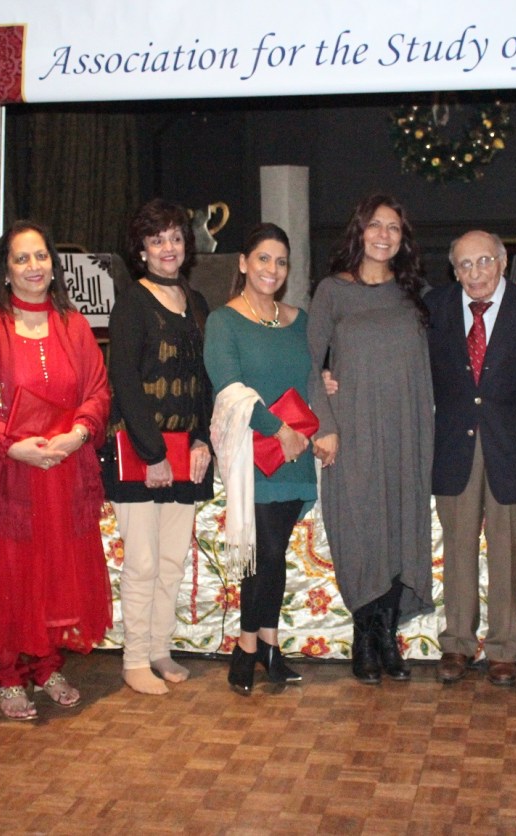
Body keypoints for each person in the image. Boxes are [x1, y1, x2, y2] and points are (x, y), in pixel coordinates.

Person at [0, 220, 112, 721]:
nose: (33, 267)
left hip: (61, 470)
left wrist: (78, 433)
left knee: (53, 570)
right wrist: (10, 445)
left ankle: (45, 663)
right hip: (7, 472)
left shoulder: (73, 325)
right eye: (22, 258)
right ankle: (5, 671)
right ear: (6, 270)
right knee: (8, 571)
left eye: (40, 257)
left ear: (53, 266)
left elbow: (98, 391)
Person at [307, 194, 434, 685]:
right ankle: (365, 635)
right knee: (360, 529)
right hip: (352, 433)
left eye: (394, 228)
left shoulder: (412, 293)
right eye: (375, 225)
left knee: (399, 528)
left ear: (403, 239)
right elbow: (309, 362)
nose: (384, 234)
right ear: (359, 231)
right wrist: (326, 425)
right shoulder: (332, 291)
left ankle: (386, 638)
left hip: (406, 430)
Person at [426, 231, 516, 686]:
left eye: (484, 261)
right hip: (453, 446)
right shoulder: (435, 309)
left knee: (507, 550)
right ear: (453, 269)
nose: (475, 272)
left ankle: (504, 648)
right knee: (457, 549)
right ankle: (457, 644)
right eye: (465, 264)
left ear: (503, 263)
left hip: (514, 448)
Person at [103, 198, 213, 696]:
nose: (168, 247)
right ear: (142, 250)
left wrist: (203, 440)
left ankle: (160, 650)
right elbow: (123, 380)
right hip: (141, 454)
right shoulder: (131, 302)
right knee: (143, 563)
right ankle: (134, 660)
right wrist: (154, 454)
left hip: (186, 454)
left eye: (174, 237)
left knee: (172, 561)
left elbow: (206, 382)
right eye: (157, 239)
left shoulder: (198, 303)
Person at [204, 223, 317, 695]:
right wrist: (279, 430)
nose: (273, 269)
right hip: (255, 454)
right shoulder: (223, 321)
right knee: (264, 552)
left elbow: (313, 377)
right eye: (264, 258)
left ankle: (264, 646)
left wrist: (325, 389)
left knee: (274, 553)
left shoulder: (302, 320)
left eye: (281, 261)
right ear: (244, 263)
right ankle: (249, 648)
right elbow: (227, 387)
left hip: (297, 458)